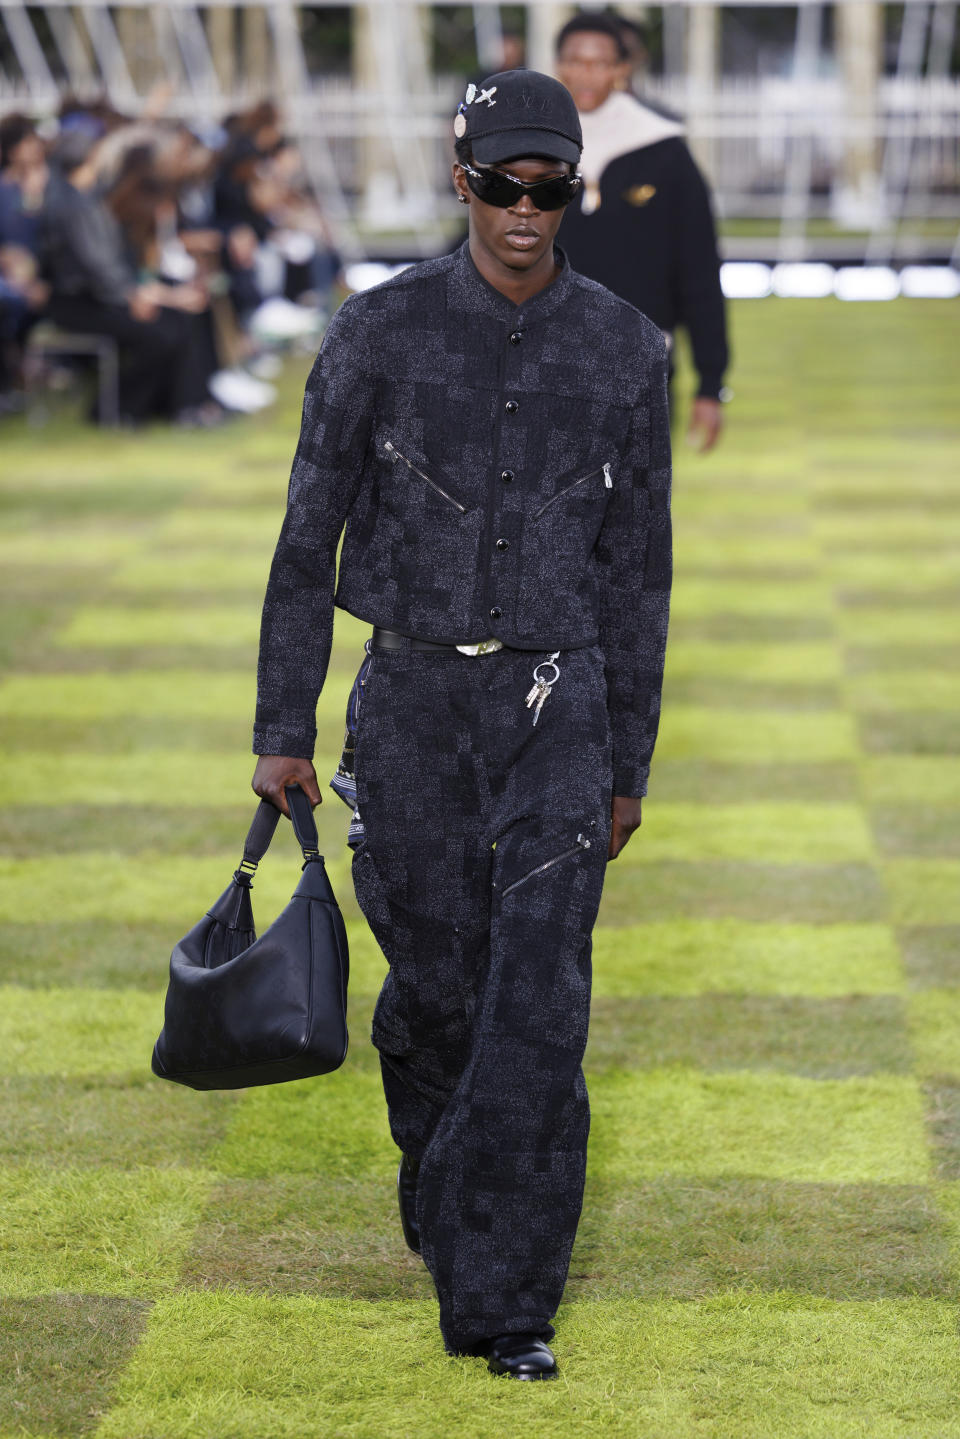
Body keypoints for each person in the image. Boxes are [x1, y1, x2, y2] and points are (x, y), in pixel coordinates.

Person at [251, 68, 671, 1379]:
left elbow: (641, 568)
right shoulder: (376, 333)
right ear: (463, 182)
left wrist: (628, 759)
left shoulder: (624, 346)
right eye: (505, 186)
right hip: (415, 703)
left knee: (539, 999)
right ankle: (444, 1199)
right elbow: (306, 533)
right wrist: (282, 726)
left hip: (562, 707)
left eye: (551, 189)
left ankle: (505, 1307)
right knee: (436, 993)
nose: (527, 212)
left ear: (575, 191)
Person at [555, 11, 729, 453]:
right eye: (576, 60)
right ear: (559, 66)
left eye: (601, 62)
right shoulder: (532, 144)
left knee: (630, 513)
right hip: (541, 359)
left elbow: (699, 270)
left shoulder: (663, 150)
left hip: (637, 363)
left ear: (621, 69)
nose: (587, 73)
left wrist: (711, 382)